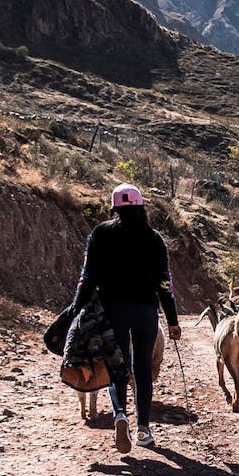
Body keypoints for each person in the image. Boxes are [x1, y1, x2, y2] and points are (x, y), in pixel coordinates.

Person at [72, 183, 181, 453]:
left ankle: (120, 414)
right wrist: (172, 319)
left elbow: (87, 276)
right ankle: (144, 428)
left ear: (115, 208)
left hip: (113, 310)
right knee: (142, 369)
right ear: (140, 207)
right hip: (145, 312)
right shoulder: (153, 238)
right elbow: (164, 283)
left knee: (116, 367)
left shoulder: (100, 234)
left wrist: (77, 308)